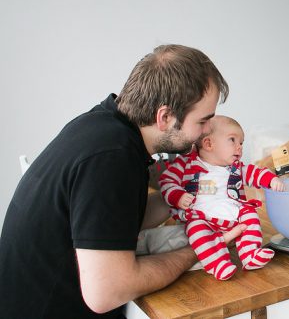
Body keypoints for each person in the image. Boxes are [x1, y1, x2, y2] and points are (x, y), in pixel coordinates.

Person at [0, 44, 246, 318]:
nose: (207, 131)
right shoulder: (111, 158)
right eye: (203, 121)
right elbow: (107, 293)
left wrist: (193, 193)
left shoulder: (104, 126)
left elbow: (117, 219)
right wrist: (199, 250)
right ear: (164, 117)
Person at [159, 115, 285, 280]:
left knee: (250, 214)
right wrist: (178, 195)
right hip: (200, 216)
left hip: (233, 213)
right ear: (209, 144)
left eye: (241, 143)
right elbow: (167, 181)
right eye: (232, 140)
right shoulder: (185, 164)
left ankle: (250, 254)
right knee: (196, 232)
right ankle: (217, 264)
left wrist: (272, 180)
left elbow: (255, 172)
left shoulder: (235, 168)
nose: (239, 147)